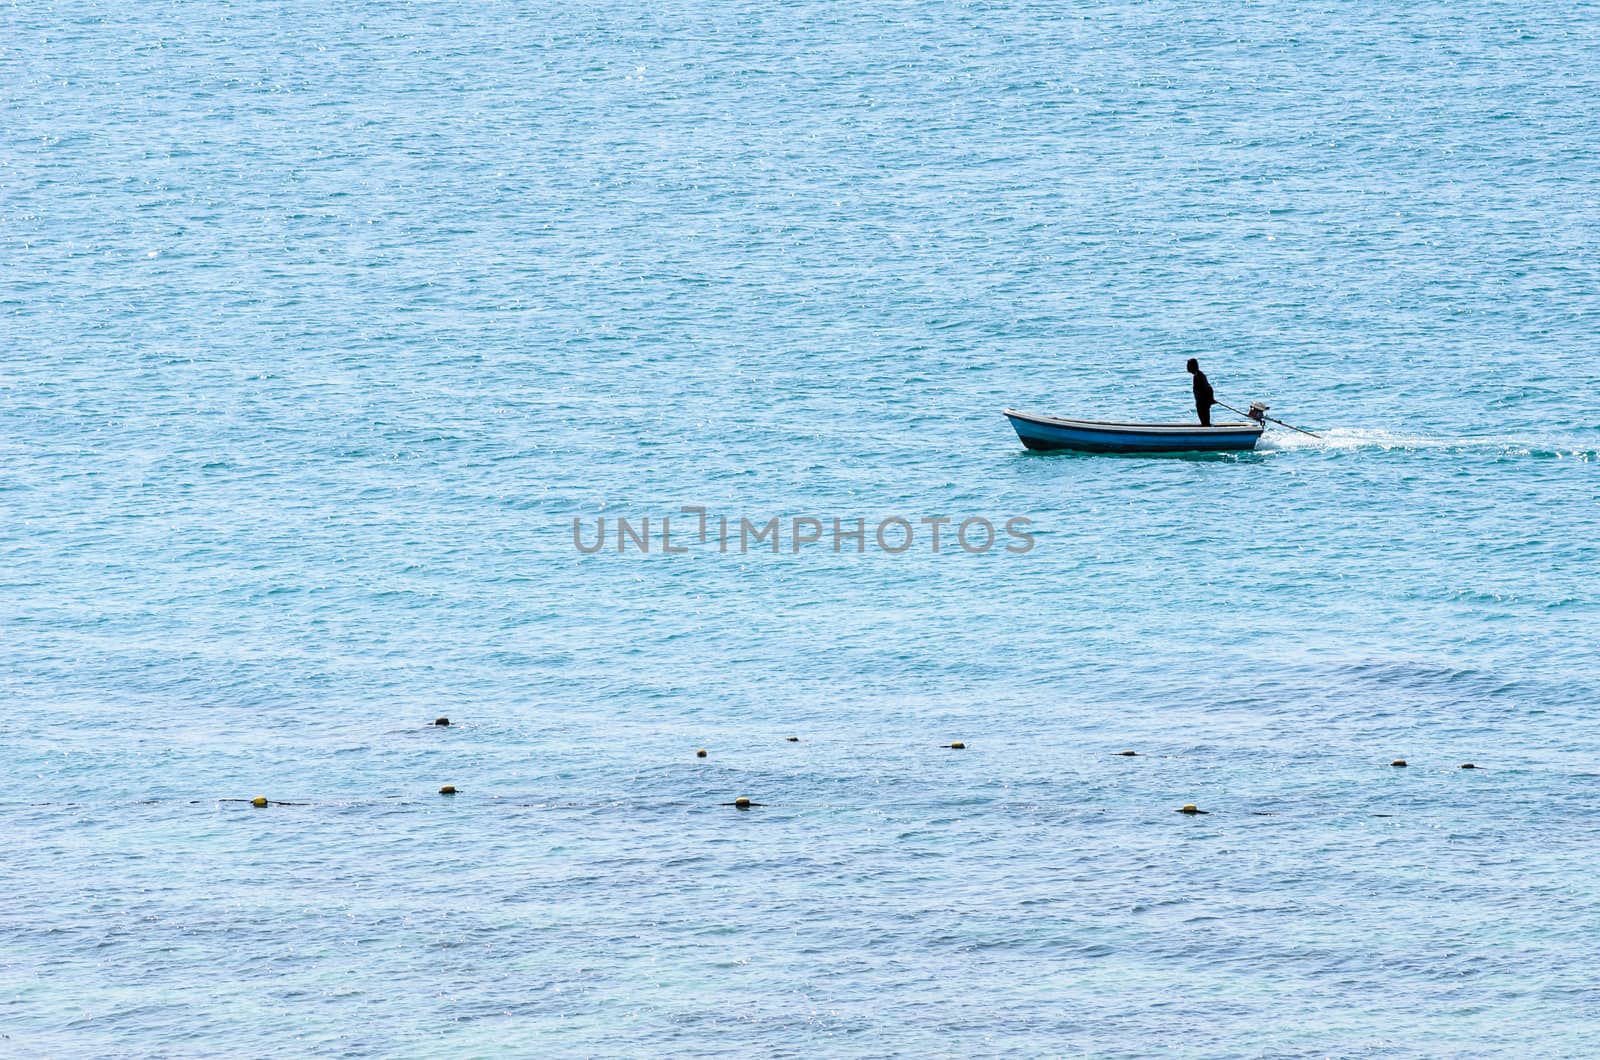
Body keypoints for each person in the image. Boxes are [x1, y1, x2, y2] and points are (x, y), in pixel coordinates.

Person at [1186, 358, 1215, 426]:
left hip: (1203, 404)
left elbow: (1209, 388)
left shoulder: (1199, 376)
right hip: (1201, 403)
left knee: (1205, 422)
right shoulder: (1197, 375)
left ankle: (1208, 433)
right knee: (1204, 422)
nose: (1187, 367)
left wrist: (1211, 399)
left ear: (1193, 366)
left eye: (1188, 365)